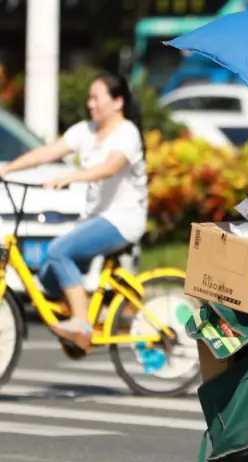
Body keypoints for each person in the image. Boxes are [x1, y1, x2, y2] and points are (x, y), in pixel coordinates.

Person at [0, 72, 148, 354]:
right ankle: (77, 320)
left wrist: (70, 177)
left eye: (96, 98)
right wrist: (7, 169)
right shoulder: (86, 130)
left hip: (122, 220)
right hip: (96, 219)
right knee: (47, 277)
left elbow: (110, 168)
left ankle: (81, 325)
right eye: (89, 98)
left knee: (57, 251)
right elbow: (46, 153)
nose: (90, 104)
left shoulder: (127, 133)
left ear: (117, 102)